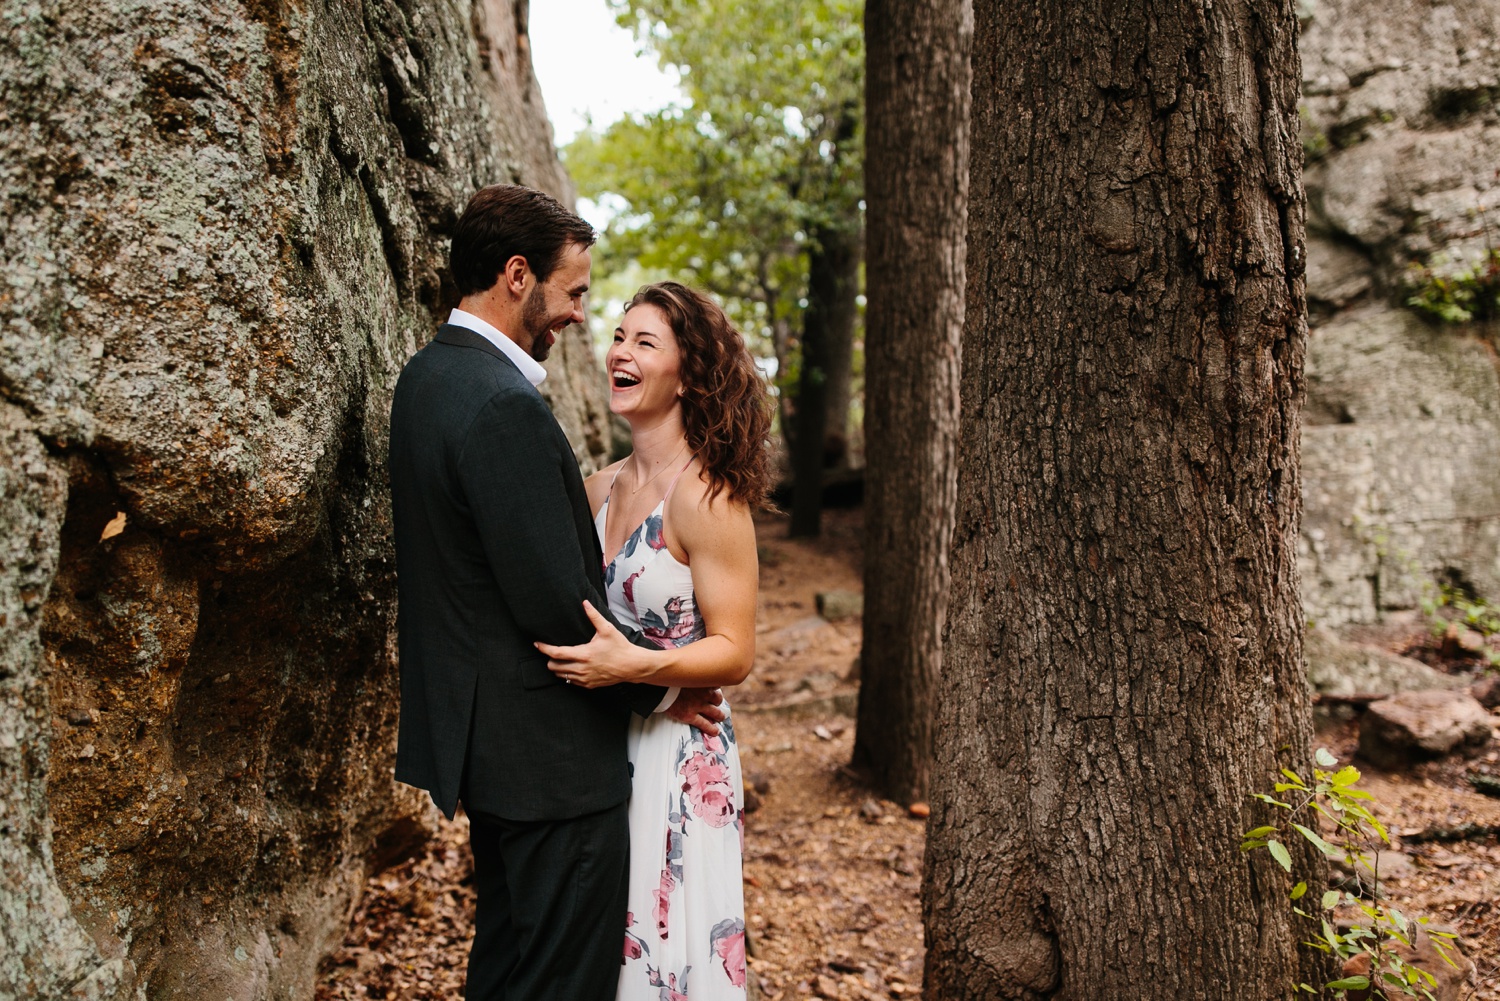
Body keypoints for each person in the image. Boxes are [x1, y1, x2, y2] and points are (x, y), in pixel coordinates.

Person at [388, 185, 726, 1001]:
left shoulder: (425, 378)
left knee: (506, 969)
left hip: (489, 752)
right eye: (572, 291)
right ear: (517, 276)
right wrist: (659, 688)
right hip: (554, 767)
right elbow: (558, 604)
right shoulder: (504, 405)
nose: (578, 313)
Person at [536, 282, 773, 1000]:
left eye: (645, 342)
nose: (621, 353)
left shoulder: (707, 496)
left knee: (667, 953)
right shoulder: (594, 489)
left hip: (679, 754)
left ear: (689, 375)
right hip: (603, 742)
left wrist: (637, 667)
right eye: (618, 337)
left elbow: (735, 649)